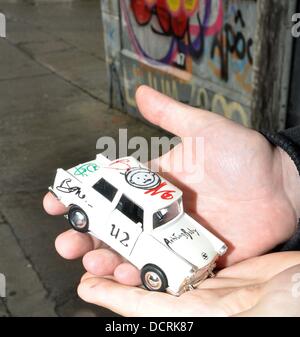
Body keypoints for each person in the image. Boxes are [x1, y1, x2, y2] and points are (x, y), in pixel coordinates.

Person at [43, 86, 300, 316]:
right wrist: (286, 175)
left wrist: (287, 179)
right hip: (122, 209)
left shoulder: (171, 209)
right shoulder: (109, 196)